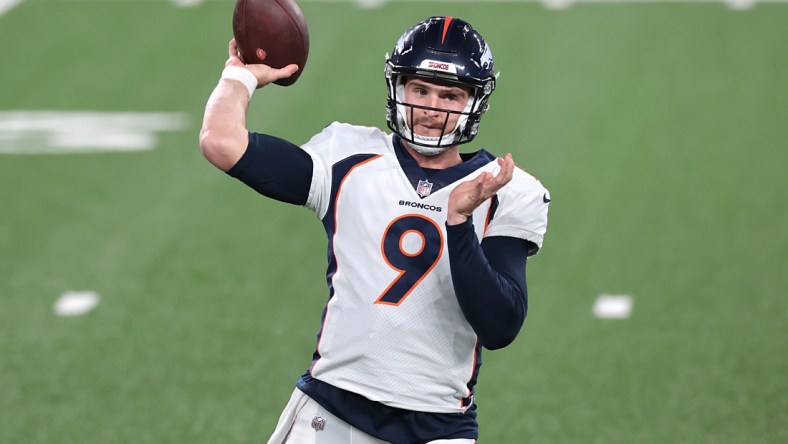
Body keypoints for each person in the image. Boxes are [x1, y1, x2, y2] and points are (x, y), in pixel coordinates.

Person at [200, 16, 549, 444]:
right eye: (420, 89)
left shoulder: (508, 190)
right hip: (333, 406)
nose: (431, 108)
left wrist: (458, 223)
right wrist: (238, 77)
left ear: (474, 102)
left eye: (449, 95)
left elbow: (500, 326)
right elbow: (221, 142)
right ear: (398, 88)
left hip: (437, 424)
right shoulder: (348, 156)